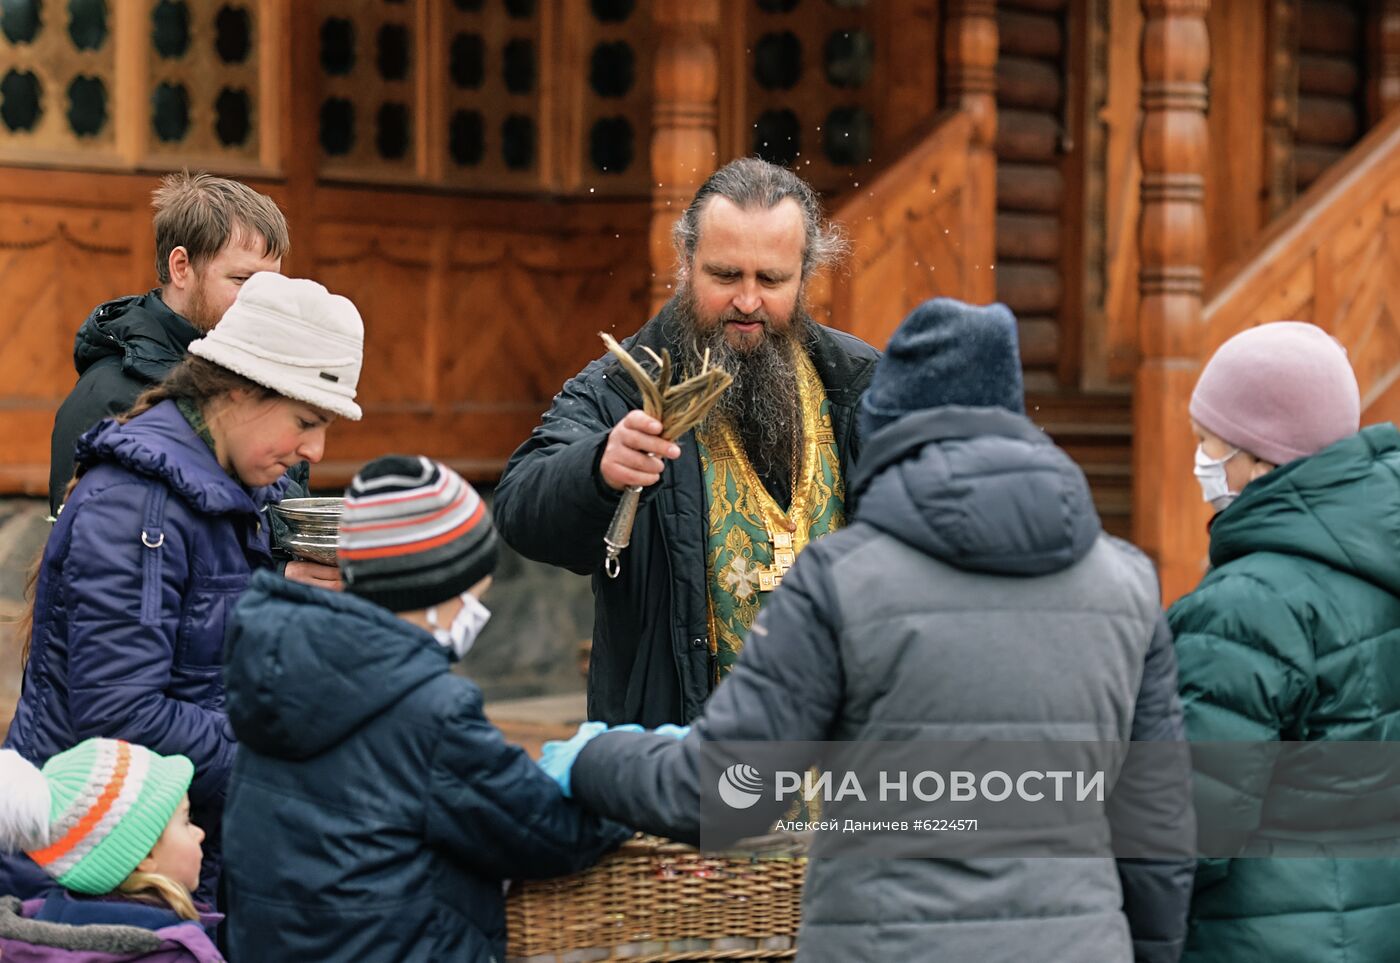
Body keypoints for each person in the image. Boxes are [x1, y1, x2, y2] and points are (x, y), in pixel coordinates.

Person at [538, 299, 1196, 962]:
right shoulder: (1129, 584)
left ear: (886, 430)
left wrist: (594, 757)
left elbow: (728, 791)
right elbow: (1158, 830)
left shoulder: (842, 581)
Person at [2, 272, 365, 906]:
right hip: (98, 868)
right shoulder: (133, 506)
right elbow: (122, 715)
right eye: (306, 420)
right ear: (236, 390)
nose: (317, 447)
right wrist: (280, 760)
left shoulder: (246, 486)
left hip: (181, 848)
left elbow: (217, 648)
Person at [494, 157, 880, 726]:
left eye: (771, 280)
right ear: (687, 262)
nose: (747, 301)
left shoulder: (858, 381)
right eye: (724, 276)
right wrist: (599, 468)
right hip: (680, 762)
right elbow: (520, 505)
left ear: (806, 275)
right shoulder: (622, 386)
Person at [220, 455, 631, 963]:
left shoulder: (278, 667)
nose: (475, 616)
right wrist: (620, 779)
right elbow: (546, 832)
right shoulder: (427, 709)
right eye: (470, 598)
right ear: (430, 594)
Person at [1166, 322, 1400, 962]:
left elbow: (1185, 830)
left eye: (1208, 443)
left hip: (1257, 939)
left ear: (1260, 456)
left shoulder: (1246, 606)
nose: (1200, 463)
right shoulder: (1381, 562)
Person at [45, 171, 334, 589]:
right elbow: (101, 577)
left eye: (271, 283)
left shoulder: (259, 375)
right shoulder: (106, 398)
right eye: (242, 280)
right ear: (182, 267)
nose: (263, 300)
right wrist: (273, 580)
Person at [0, 738, 225, 963]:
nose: (199, 833)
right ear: (144, 855)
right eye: (186, 821)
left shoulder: (24, 943)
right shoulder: (175, 955)